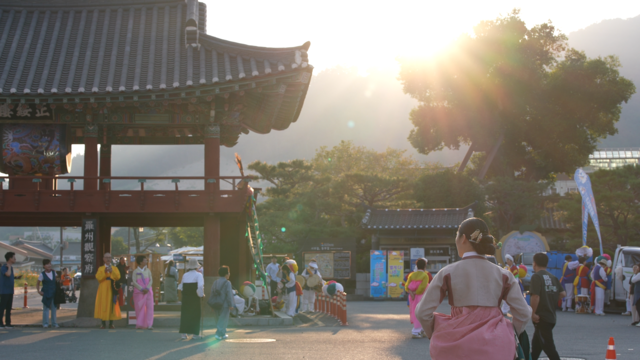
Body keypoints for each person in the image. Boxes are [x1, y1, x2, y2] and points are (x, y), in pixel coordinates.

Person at [416, 218, 531, 360]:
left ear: (463, 238)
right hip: (497, 348)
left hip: (455, 348)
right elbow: (524, 313)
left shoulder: (447, 272)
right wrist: (508, 332)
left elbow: (422, 312)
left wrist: (437, 332)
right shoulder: (504, 275)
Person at [530, 252, 565, 360]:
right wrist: (550, 298)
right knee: (536, 346)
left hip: (542, 318)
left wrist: (532, 313)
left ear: (534, 263)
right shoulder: (552, 277)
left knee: (549, 347)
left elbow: (535, 296)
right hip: (551, 316)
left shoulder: (536, 276)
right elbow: (562, 294)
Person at [178, 258, 204, 339]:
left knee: (185, 314)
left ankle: (183, 333)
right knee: (195, 315)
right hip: (194, 297)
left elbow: (181, 287)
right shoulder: (198, 275)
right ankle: (195, 334)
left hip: (186, 298)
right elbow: (200, 286)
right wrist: (201, 295)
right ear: (197, 266)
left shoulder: (185, 275)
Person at [94, 253, 121, 329]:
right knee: (103, 304)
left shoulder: (114, 268)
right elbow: (98, 278)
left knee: (112, 303)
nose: (108, 259)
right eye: (106, 257)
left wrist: (112, 271)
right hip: (103, 288)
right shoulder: (101, 268)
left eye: (109, 257)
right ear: (103, 259)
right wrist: (105, 272)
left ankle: (111, 323)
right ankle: (103, 323)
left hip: (112, 287)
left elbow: (118, 277)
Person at [406, 258, 430, 339]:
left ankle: (421, 330)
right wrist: (416, 293)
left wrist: (412, 293)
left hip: (412, 297)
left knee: (414, 311)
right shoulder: (424, 275)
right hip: (420, 297)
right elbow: (422, 288)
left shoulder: (412, 275)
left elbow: (407, 286)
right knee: (422, 313)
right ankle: (416, 331)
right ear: (425, 266)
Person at [210, 266, 235, 340]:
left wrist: (212, 304)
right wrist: (231, 304)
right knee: (223, 319)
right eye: (228, 272)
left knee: (218, 318)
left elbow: (212, 293)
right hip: (224, 304)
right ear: (226, 274)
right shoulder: (227, 283)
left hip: (216, 303)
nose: (229, 274)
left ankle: (223, 333)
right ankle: (218, 333)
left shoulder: (215, 282)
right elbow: (229, 294)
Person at [132, 255, 154, 330]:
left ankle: (149, 324)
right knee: (139, 308)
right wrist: (141, 289)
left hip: (148, 291)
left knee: (149, 307)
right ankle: (140, 324)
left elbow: (151, 280)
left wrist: (147, 288)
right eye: (145, 260)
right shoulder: (135, 271)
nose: (146, 261)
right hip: (139, 292)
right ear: (141, 262)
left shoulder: (148, 270)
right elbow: (134, 282)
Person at [1, 252, 22, 329]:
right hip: (4, 291)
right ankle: (0, 323)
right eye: (14, 258)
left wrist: (16, 277)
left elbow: (11, 277)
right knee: (2, 307)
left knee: (9, 307)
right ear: (10, 258)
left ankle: (8, 323)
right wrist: (9, 267)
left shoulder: (11, 268)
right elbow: (8, 274)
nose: (15, 259)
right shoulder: (4, 267)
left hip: (10, 290)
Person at [36, 259, 59, 328]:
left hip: (54, 293)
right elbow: (38, 283)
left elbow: (57, 280)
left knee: (54, 308)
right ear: (44, 266)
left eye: (49, 264)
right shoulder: (42, 274)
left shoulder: (54, 272)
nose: (49, 265)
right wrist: (39, 291)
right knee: (46, 308)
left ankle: (54, 323)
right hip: (46, 293)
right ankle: (45, 323)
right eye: (47, 264)